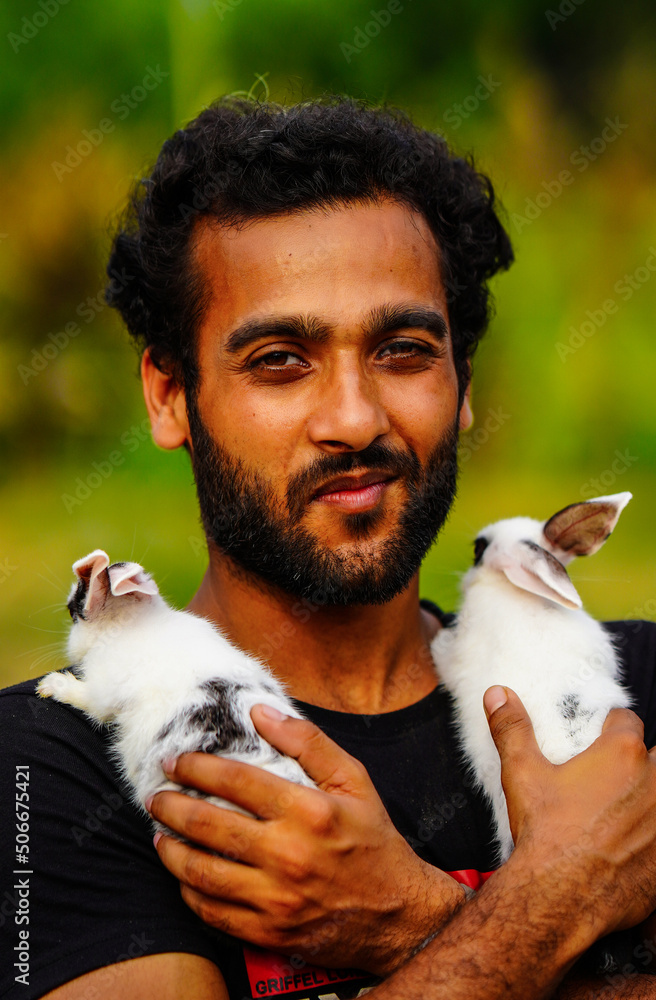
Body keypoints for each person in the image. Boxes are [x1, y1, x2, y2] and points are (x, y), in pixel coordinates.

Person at [2, 96, 656, 1000]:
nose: (354, 419)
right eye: (279, 359)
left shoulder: (628, 702)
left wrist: (414, 917)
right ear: (169, 396)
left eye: (403, 349)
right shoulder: (55, 769)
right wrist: (566, 892)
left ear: (463, 378)